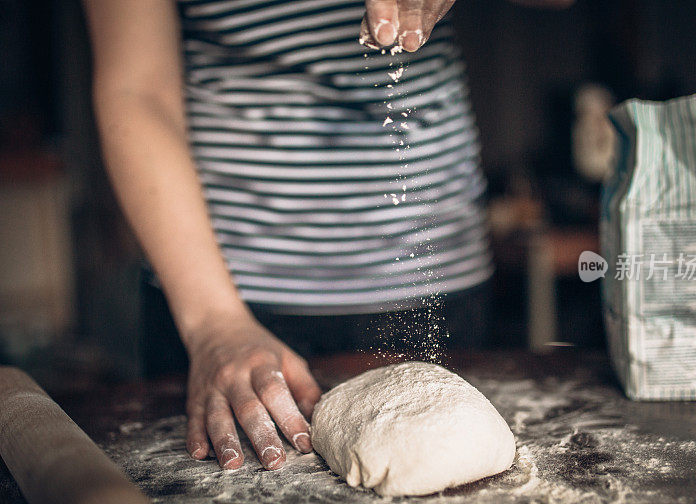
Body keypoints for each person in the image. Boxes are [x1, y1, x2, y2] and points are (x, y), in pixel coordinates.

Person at [82, 0, 571, 471]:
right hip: (218, 288)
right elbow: (135, 88)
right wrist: (212, 320)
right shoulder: (213, 313)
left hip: (428, 270)